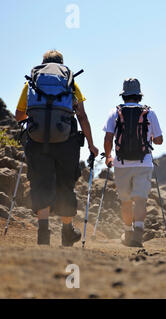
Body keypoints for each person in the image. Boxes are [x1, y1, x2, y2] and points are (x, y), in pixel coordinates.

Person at [15, 50, 99, 246]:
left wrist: (38, 120)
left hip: (37, 141)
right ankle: (67, 233)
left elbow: (19, 116)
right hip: (66, 142)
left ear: (43, 63)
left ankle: (43, 235)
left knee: (40, 183)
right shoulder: (70, 82)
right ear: (62, 64)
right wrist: (91, 144)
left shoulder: (31, 83)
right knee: (65, 184)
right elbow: (82, 116)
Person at [103, 78, 163, 247]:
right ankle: (138, 233)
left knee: (126, 201)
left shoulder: (114, 113)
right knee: (141, 200)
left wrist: (108, 157)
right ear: (139, 96)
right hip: (143, 162)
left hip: (121, 163)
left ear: (123, 95)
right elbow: (159, 140)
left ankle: (127, 233)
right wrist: (149, 136)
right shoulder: (149, 113)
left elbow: (108, 138)